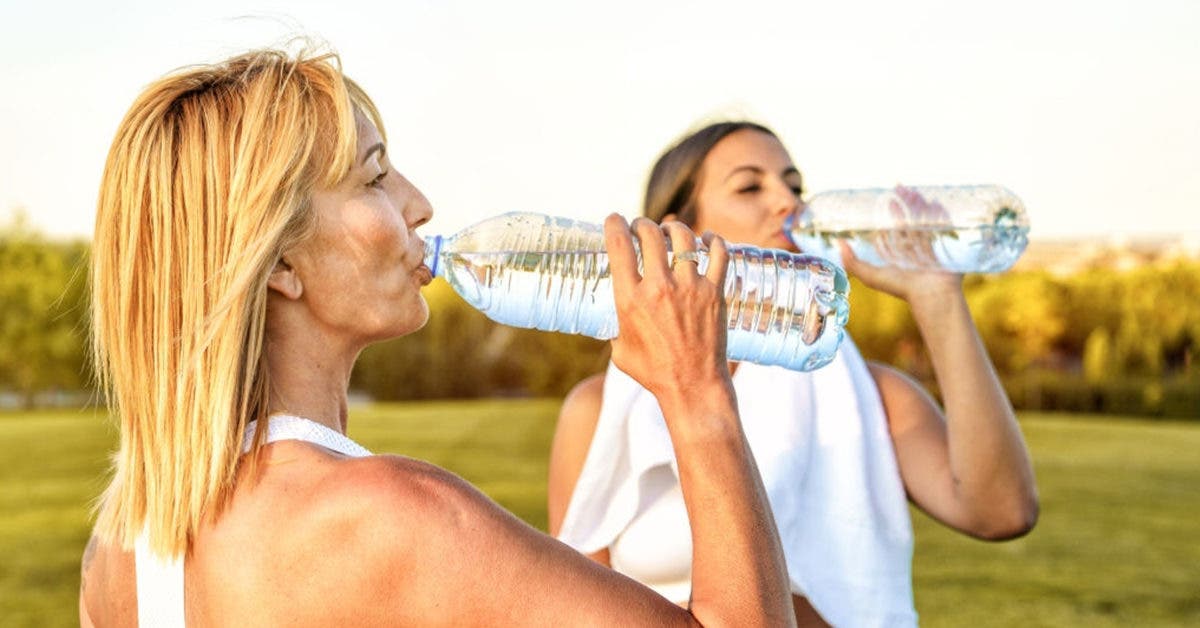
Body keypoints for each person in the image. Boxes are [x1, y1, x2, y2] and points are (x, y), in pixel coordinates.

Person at [78, 49, 798, 626]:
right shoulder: (399, 518)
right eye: (374, 179)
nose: (418, 205)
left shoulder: (119, 554)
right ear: (280, 264)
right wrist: (698, 391)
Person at [548, 121, 1040, 627]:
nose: (789, 203)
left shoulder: (873, 397)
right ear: (676, 232)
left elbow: (1002, 512)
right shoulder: (597, 412)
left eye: (794, 185)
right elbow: (580, 607)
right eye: (750, 186)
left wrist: (937, 297)